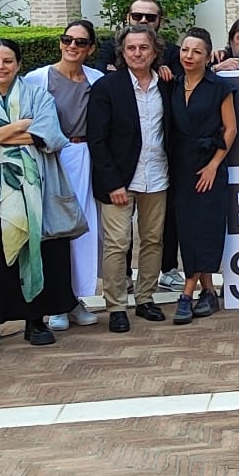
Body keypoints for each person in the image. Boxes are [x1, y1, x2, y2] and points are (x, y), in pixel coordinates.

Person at [0, 38, 83, 356]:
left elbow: (50, 137)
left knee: (38, 254)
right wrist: (20, 127)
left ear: (18, 64)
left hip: (36, 190)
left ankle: (34, 321)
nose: (1, 66)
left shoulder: (38, 95)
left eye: (7, 60)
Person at [86, 25, 173, 333]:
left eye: (144, 48)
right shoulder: (107, 88)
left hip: (158, 175)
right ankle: (117, 306)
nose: (138, 53)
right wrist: (112, 183)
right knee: (117, 244)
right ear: (122, 52)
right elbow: (97, 139)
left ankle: (146, 298)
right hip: (120, 180)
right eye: (131, 48)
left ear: (155, 52)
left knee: (153, 241)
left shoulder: (166, 84)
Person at [24, 20, 105, 332]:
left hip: (86, 158)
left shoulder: (96, 80)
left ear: (91, 48)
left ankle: (75, 300)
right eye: (67, 39)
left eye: (81, 42)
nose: (73, 46)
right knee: (54, 231)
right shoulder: (37, 78)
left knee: (83, 230)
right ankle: (56, 302)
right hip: (49, 159)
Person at [167, 28, 239, 323]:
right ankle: (208, 291)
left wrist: (213, 165)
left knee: (206, 229)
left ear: (208, 57)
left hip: (210, 164)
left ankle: (186, 293)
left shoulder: (219, 87)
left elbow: (230, 129)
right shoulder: (171, 84)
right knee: (187, 230)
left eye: (197, 52)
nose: (189, 56)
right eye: (185, 50)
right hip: (180, 166)